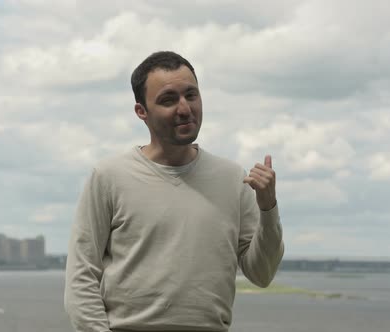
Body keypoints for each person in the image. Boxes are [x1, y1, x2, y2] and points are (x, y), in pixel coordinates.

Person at [65, 51, 284, 332]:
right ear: (141, 111)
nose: (184, 108)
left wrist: (268, 207)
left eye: (191, 95)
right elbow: (81, 276)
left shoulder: (232, 178)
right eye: (169, 100)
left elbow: (261, 273)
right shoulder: (109, 176)